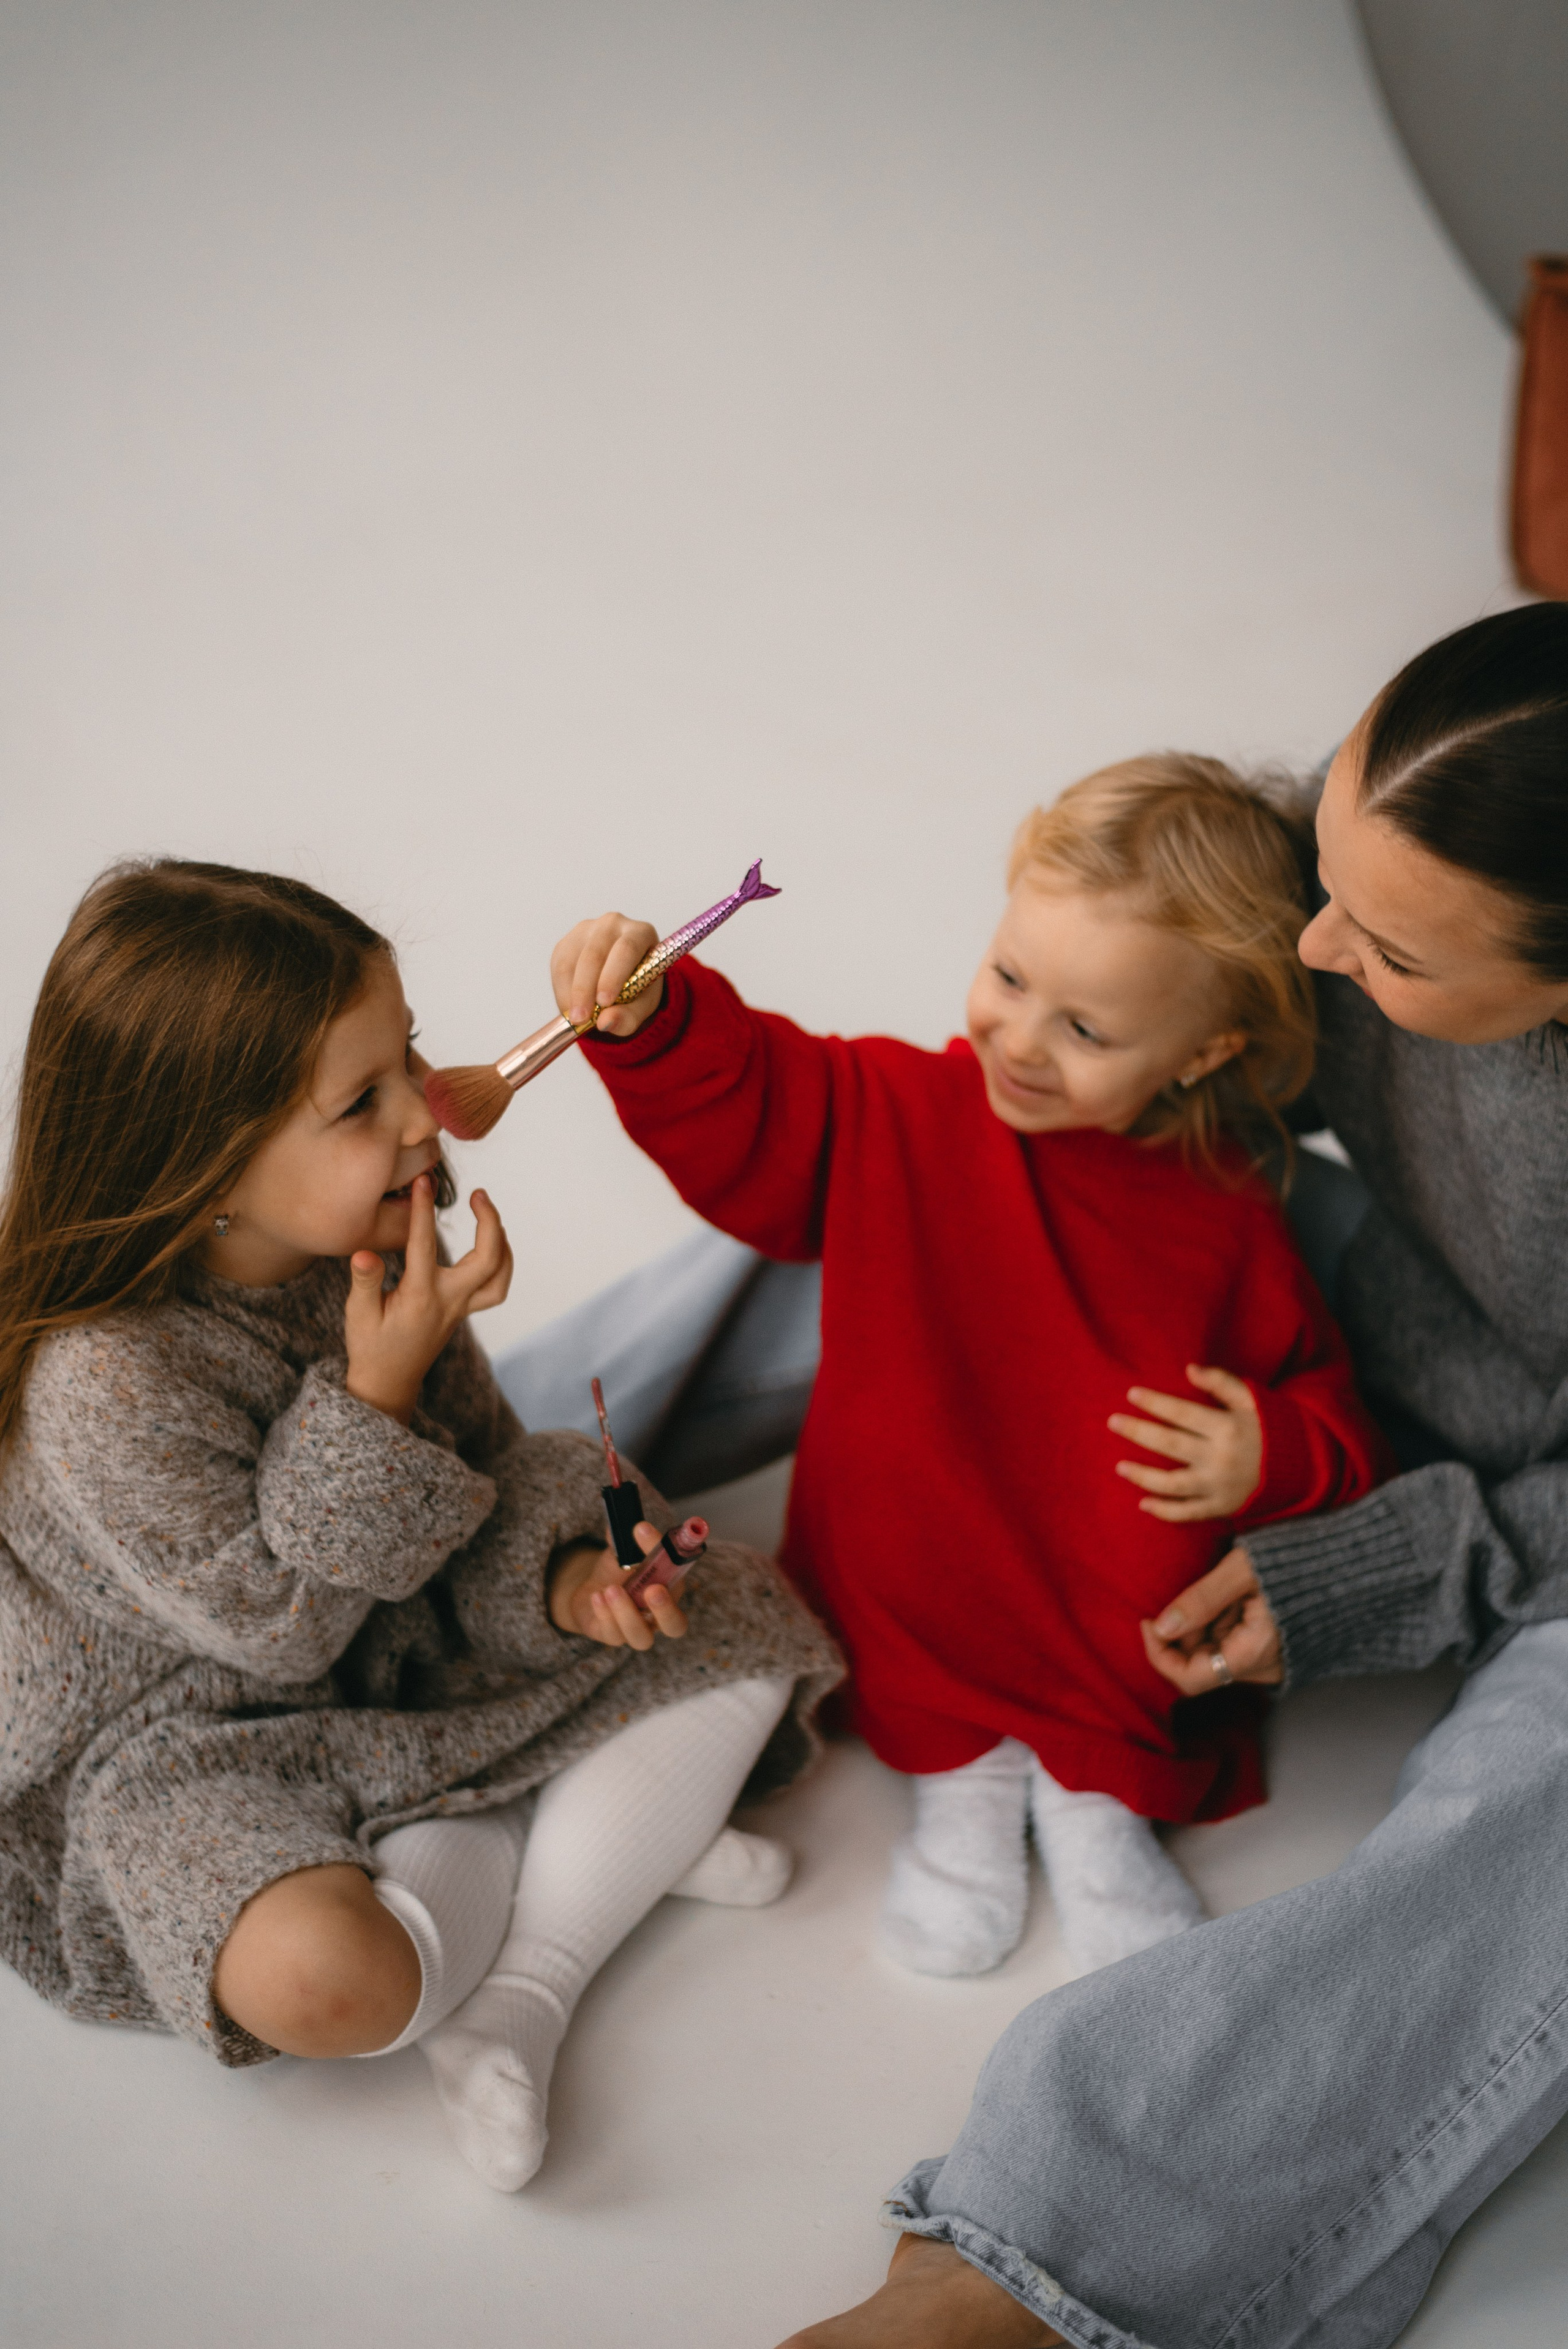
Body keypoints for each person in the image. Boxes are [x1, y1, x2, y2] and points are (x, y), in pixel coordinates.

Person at [765, 601, 1568, 2347]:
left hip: (1535, 1506)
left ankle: (1046, 2263)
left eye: (1396, 954)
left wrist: (1365, 1556)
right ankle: (417, 1432)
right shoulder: (1359, 882)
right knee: (926, 1159)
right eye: (1326, 871)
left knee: (1535, 1819)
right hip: (1389, 1313)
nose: (1320, 946)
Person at [0, 860, 840, 2195]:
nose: (427, 1111)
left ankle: (528, 1978)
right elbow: (278, 1637)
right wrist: (378, 1385)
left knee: (748, 1623)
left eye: (409, 1055)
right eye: (363, 1101)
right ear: (202, 1165)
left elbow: (487, 1492)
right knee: (322, 1979)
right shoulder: (106, 1380)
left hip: (403, 1660)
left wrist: (569, 1589)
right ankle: (575, 1841)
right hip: (184, 1743)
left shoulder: (379, 1245)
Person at [549, 757, 1389, 1981]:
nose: (1020, 1039)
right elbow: (760, 1113)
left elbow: (1334, 1414)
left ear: (1202, 1055)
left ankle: (1094, 1802)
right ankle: (965, 1788)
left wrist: (1270, 1446)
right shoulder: (900, 1104)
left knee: (1144, 1618)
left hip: (1100, 1593)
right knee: (908, 1583)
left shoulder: (1228, 1211)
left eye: (1086, 1027)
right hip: (922, 1546)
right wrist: (659, 1019)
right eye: (1007, 975)